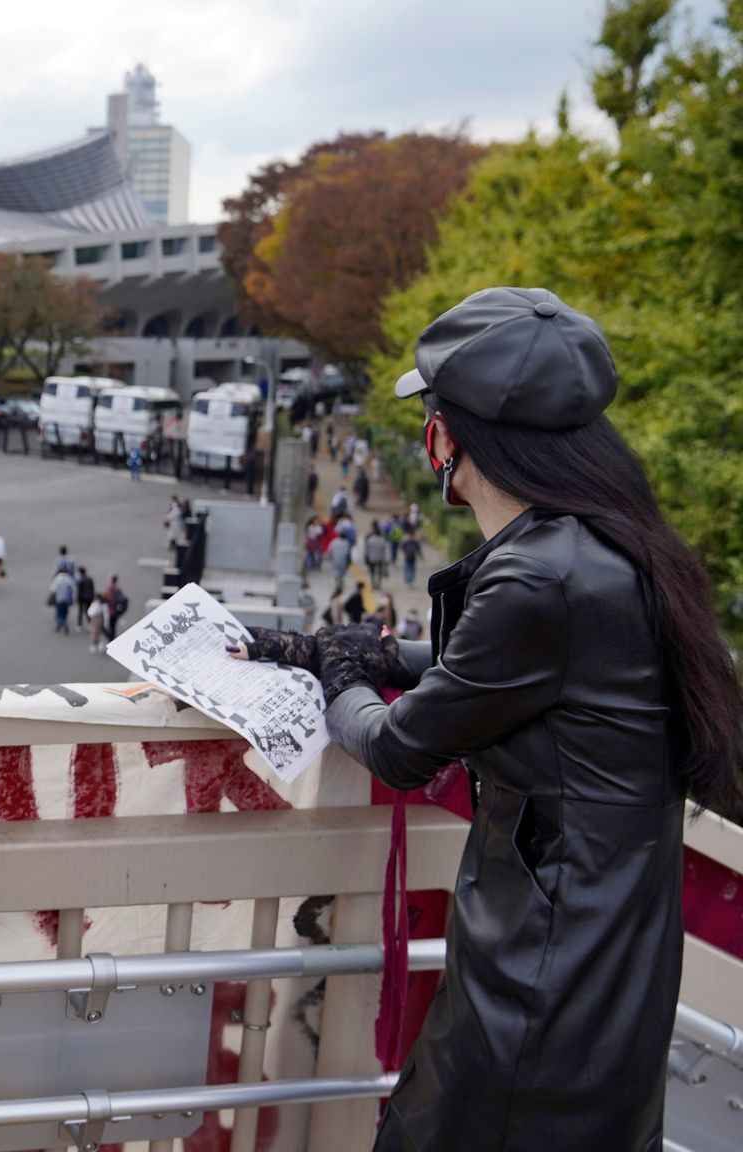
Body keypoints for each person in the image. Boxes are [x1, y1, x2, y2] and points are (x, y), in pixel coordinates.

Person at [235, 288, 743, 1152]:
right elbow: (515, 678)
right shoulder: (614, 546)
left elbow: (399, 747)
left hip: (539, 988)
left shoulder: (542, 577)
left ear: (449, 440)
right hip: (602, 969)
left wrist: (343, 677)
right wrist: (352, 652)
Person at [102, 575, 129, 642]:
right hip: (117, 611)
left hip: (110, 611)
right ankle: (112, 639)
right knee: (113, 626)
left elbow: (105, 599)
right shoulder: (118, 589)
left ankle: (111, 639)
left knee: (106, 626)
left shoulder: (108, 590)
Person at [49, 565, 75, 632]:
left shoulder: (57, 579)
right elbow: (73, 587)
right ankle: (60, 625)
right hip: (67, 599)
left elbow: (53, 589)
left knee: (59, 613)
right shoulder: (69, 578)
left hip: (59, 599)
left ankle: (63, 624)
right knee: (65, 612)